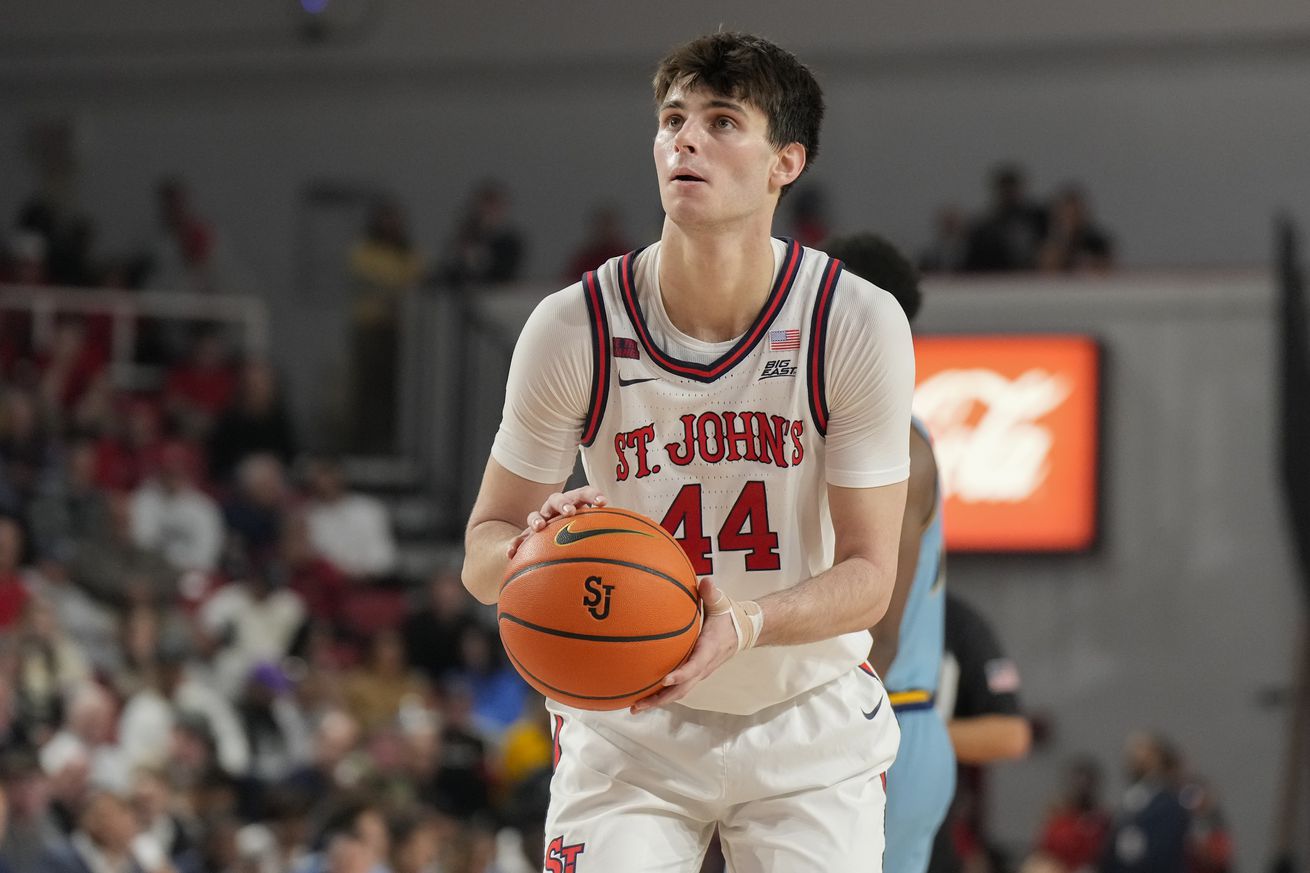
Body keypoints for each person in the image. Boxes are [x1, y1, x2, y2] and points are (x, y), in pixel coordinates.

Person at [461, 31, 914, 871]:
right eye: (672, 119)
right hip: (629, 725)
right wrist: (533, 547)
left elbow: (870, 578)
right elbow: (481, 560)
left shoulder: (852, 321)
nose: (686, 140)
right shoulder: (573, 326)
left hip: (802, 714)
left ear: (787, 161)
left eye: (721, 121)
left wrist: (744, 625)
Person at [825, 232, 955, 873]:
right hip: (881, 721)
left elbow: (879, 630)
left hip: (884, 724)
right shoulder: (852, 430)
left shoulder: (897, 446)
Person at [928, 591, 1033, 873]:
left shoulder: (956, 621)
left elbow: (1013, 734)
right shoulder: (843, 601)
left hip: (928, 834)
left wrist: (911, 733)